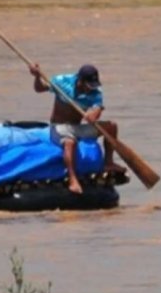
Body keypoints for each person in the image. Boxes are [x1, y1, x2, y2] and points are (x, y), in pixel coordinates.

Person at [29, 63, 126, 194]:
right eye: (88, 86)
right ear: (80, 80)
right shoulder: (62, 81)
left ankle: (108, 162)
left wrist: (93, 115)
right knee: (70, 142)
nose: (90, 89)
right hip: (59, 127)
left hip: (78, 127)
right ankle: (73, 179)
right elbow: (39, 88)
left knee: (112, 126)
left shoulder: (96, 92)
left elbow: (97, 109)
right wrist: (36, 76)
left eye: (93, 86)